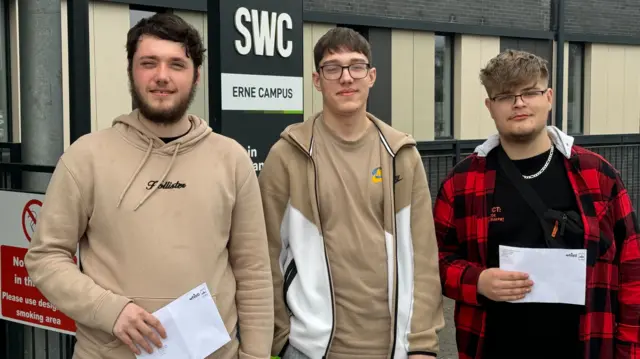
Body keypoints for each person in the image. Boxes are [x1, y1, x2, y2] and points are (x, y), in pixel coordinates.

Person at [24, 13, 274, 359]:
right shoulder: (87, 157)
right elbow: (45, 257)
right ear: (131, 70)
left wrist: (257, 354)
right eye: (148, 63)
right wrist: (111, 310)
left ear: (196, 75)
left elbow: (254, 271)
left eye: (176, 64)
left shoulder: (230, 159)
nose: (162, 76)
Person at [434, 49, 640, 359]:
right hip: (493, 347)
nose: (518, 103)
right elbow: (434, 260)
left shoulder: (597, 175)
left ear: (549, 97)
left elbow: (632, 268)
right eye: (505, 96)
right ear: (489, 106)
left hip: (587, 346)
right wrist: (478, 281)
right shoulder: (461, 183)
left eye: (529, 92)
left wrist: (630, 350)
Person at [258, 27, 445, 359]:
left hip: (393, 348)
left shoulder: (401, 154)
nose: (346, 78)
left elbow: (423, 259)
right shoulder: (288, 155)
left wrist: (422, 344)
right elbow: (265, 255)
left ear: (371, 76)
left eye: (356, 66)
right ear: (317, 80)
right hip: (310, 349)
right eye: (333, 68)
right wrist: (281, 337)